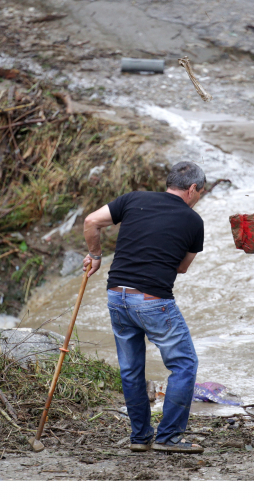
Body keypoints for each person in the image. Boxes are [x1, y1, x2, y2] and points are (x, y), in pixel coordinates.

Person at [82, 161, 206, 453]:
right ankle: (169, 437)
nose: (199, 197)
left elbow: (91, 222)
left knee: (131, 370)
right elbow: (182, 269)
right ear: (191, 189)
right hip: (152, 300)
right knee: (184, 365)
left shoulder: (133, 198)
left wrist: (95, 256)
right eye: (200, 192)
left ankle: (140, 437)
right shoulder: (193, 221)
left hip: (116, 295)